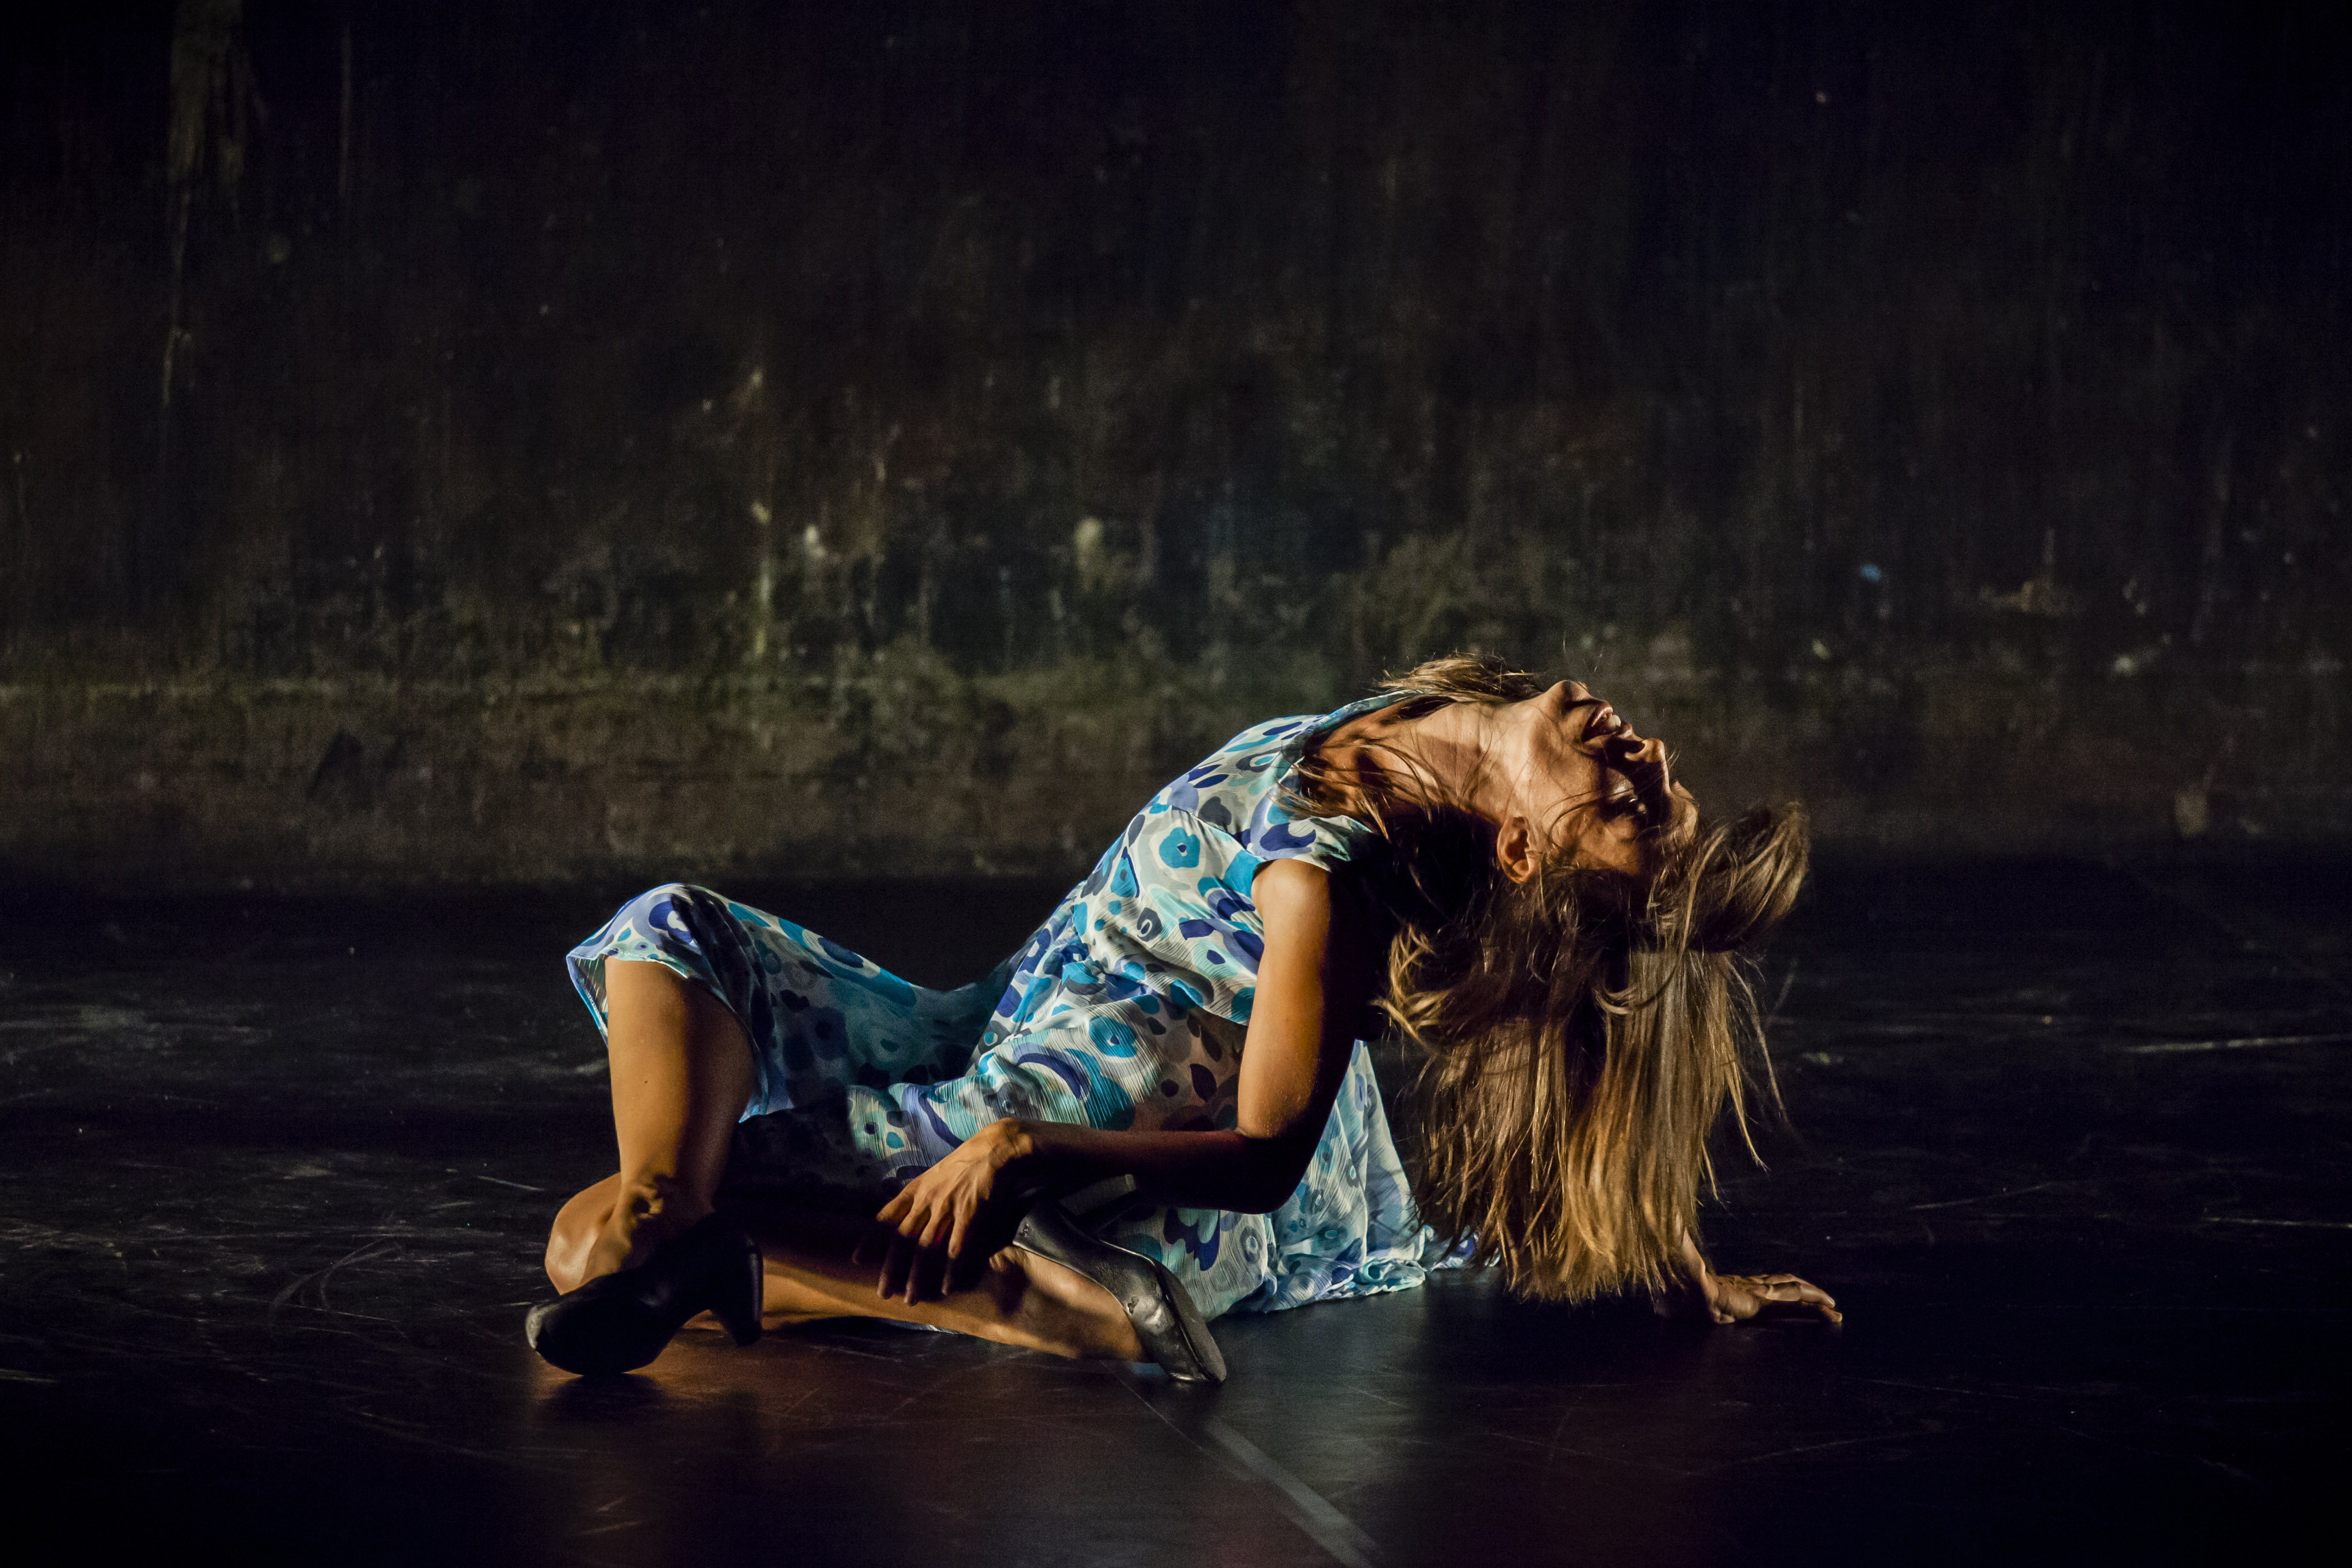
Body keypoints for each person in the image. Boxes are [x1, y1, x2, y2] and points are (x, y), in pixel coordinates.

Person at [523, 653, 1839, 1382]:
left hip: (1109, 1073)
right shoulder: (1458, 713)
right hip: (1015, 1004)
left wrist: (1021, 1152)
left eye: (1626, 805)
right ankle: (703, 1231)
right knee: (670, 926)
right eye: (1658, 783)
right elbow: (1588, 1027)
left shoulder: (1333, 873)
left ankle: (1011, 1296)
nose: (1646, 758)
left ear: (1518, 849)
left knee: (586, 1242)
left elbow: (1265, 1152)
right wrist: (1684, 1262)